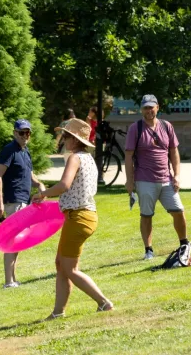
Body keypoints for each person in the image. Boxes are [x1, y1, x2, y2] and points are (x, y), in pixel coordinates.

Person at [33, 118, 113, 317]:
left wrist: (43, 194)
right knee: (61, 264)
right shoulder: (88, 158)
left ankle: (103, 302)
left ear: (76, 140)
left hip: (79, 217)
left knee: (70, 268)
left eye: (67, 135)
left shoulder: (75, 158)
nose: (64, 139)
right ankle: (58, 312)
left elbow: (64, 185)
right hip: (82, 216)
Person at [124, 94, 188, 261]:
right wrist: (129, 180)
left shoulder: (167, 126)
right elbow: (129, 155)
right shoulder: (135, 128)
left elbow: (174, 152)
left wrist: (177, 175)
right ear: (141, 109)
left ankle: (184, 244)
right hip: (144, 179)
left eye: (151, 107)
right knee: (146, 215)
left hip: (166, 178)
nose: (148, 111)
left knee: (178, 211)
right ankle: (148, 250)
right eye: (145, 107)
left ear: (157, 107)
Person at [0, 119, 45, 288]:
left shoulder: (25, 151)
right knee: (12, 240)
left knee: (18, 241)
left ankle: (13, 279)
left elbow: (29, 174)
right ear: (15, 133)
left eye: (28, 133)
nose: (25, 136)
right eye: (22, 133)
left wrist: (39, 185)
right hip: (13, 200)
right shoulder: (9, 150)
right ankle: (9, 281)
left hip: (23, 200)